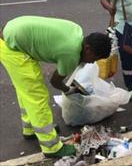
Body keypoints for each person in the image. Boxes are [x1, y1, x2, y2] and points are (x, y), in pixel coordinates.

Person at [0, 15, 111, 158]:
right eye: (94, 59)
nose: (91, 63)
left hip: (13, 31)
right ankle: (51, 147)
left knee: (26, 92)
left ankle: (31, 129)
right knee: (36, 97)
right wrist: (69, 90)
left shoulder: (77, 32)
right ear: (88, 48)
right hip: (13, 48)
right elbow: (55, 82)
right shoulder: (70, 54)